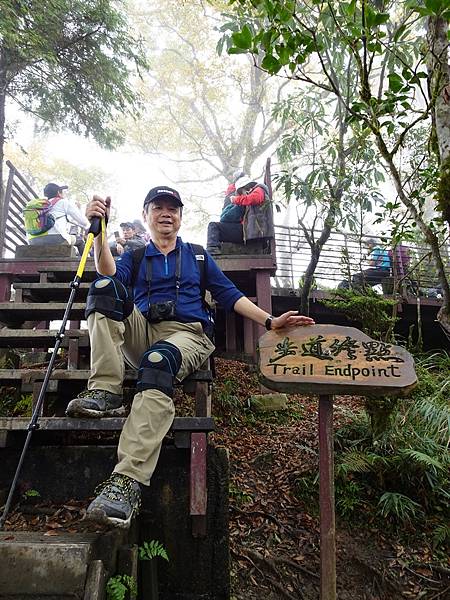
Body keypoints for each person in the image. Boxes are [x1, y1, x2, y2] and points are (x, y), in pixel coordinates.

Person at [65, 185, 315, 528]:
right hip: (142, 329)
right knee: (103, 290)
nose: (166, 213)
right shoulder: (135, 256)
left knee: (157, 362)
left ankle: (127, 481)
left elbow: (229, 294)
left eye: (173, 208)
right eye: (158, 207)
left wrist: (270, 321)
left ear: (181, 217)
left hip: (186, 335)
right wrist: (100, 234)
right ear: (145, 215)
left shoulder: (197, 256)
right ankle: (106, 391)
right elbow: (109, 275)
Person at [206, 174, 273, 254]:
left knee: (213, 226)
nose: (242, 195)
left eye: (242, 192)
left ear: (247, 188)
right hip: (248, 232)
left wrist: (237, 200)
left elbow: (255, 198)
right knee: (215, 227)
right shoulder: (248, 202)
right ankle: (213, 250)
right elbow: (226, 218)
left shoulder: (259, 189)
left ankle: (212, 250)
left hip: (255, 231)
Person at [27, 182, 89, 249]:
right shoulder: (63, 202)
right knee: (80, 241)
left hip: (32, 240)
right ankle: (84, 259)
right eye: (62, 191)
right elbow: (83, 222)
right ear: (58, 193)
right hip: (55, 239)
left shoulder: (40, 206)